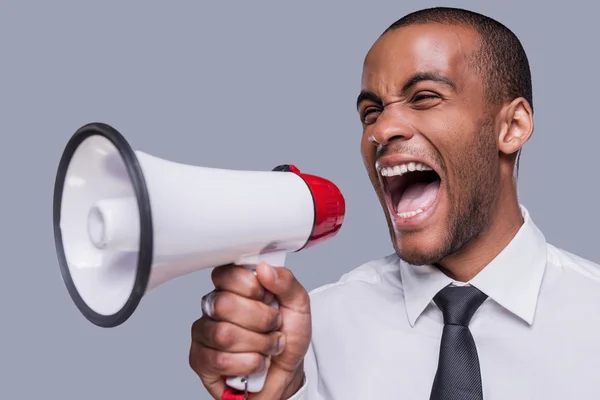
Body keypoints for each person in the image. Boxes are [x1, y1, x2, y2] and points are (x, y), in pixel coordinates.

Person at [188, 6, 600, 400]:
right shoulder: (310, 334)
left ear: (512, 126)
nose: (381, 129)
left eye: (423, 97)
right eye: (371, 112)